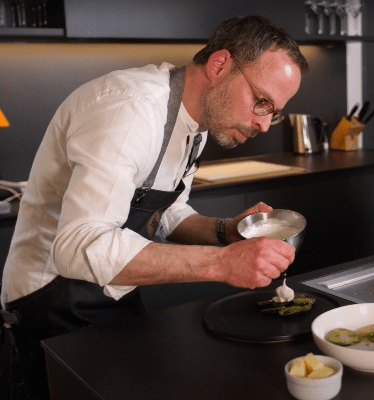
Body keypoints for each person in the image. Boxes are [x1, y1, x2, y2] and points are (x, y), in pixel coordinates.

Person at [0, 15, 308, 400]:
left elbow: (168, 209)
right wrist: (221, 263)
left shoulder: (195, 122)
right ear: (219, 65)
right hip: (50, 300)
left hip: (115, 290)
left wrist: (225, 231)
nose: (265, 125)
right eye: (262, 102)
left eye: (273, 111)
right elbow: (79, 245)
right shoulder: (128, 111)